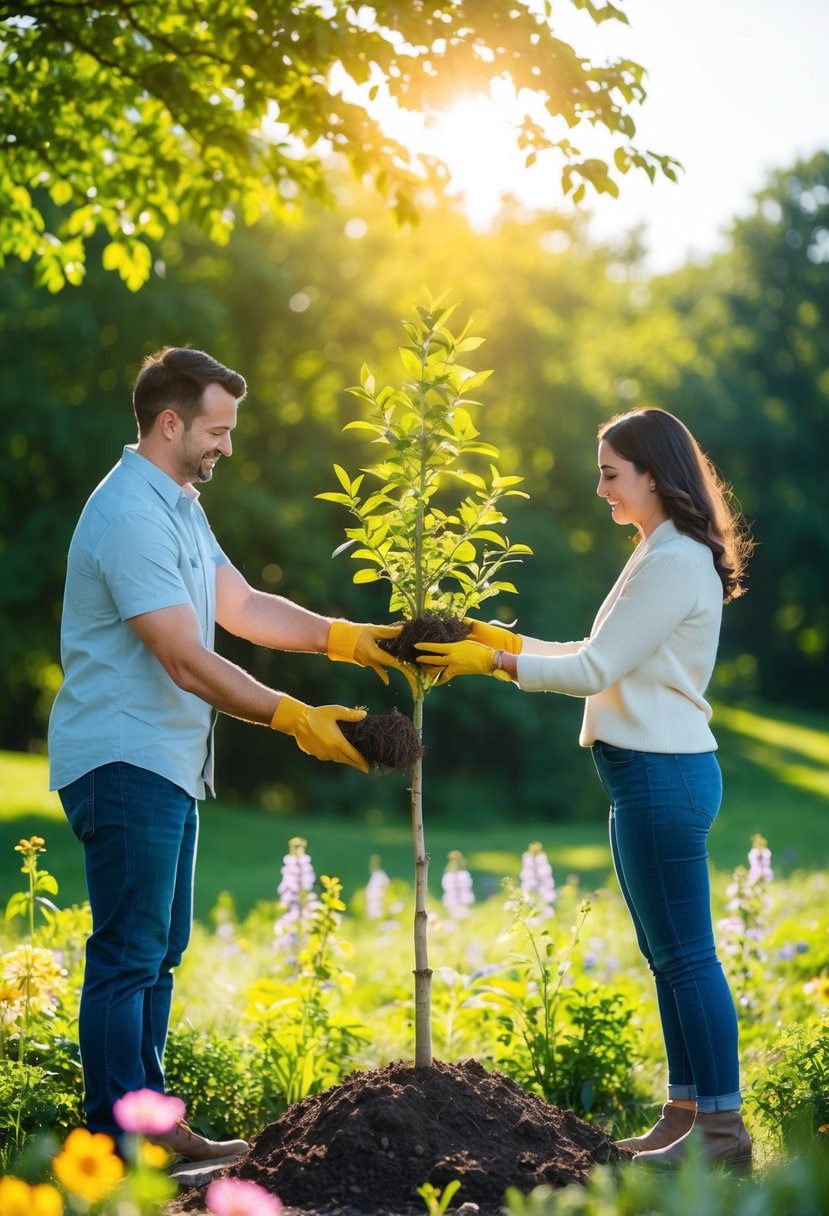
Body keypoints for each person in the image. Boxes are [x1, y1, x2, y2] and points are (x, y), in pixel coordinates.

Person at [48, 346, 409, 1161]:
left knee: (159, 951)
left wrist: (352, 642)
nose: (227, 447)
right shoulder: (128, 514)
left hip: (167, 762)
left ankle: (153, 1128)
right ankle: (115, 1143)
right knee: (129, 952)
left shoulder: (176, 501)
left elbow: (239, 606)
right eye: (216, 430)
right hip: (123, 756)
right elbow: (184, 655)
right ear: (169, 423)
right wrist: (300, 720)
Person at [416, 407, 755, 1171]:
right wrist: (494, 639)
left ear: (653, 475)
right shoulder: (658, 550)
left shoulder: (672, 561)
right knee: (668, 954)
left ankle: (722, 1134)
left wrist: (493, 665)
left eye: (609, 473)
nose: (599, 487)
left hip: (660, 775)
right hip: (645, 774)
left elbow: (592, 672)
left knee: (687, 956)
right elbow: (591, 650)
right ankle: (685, 1116)